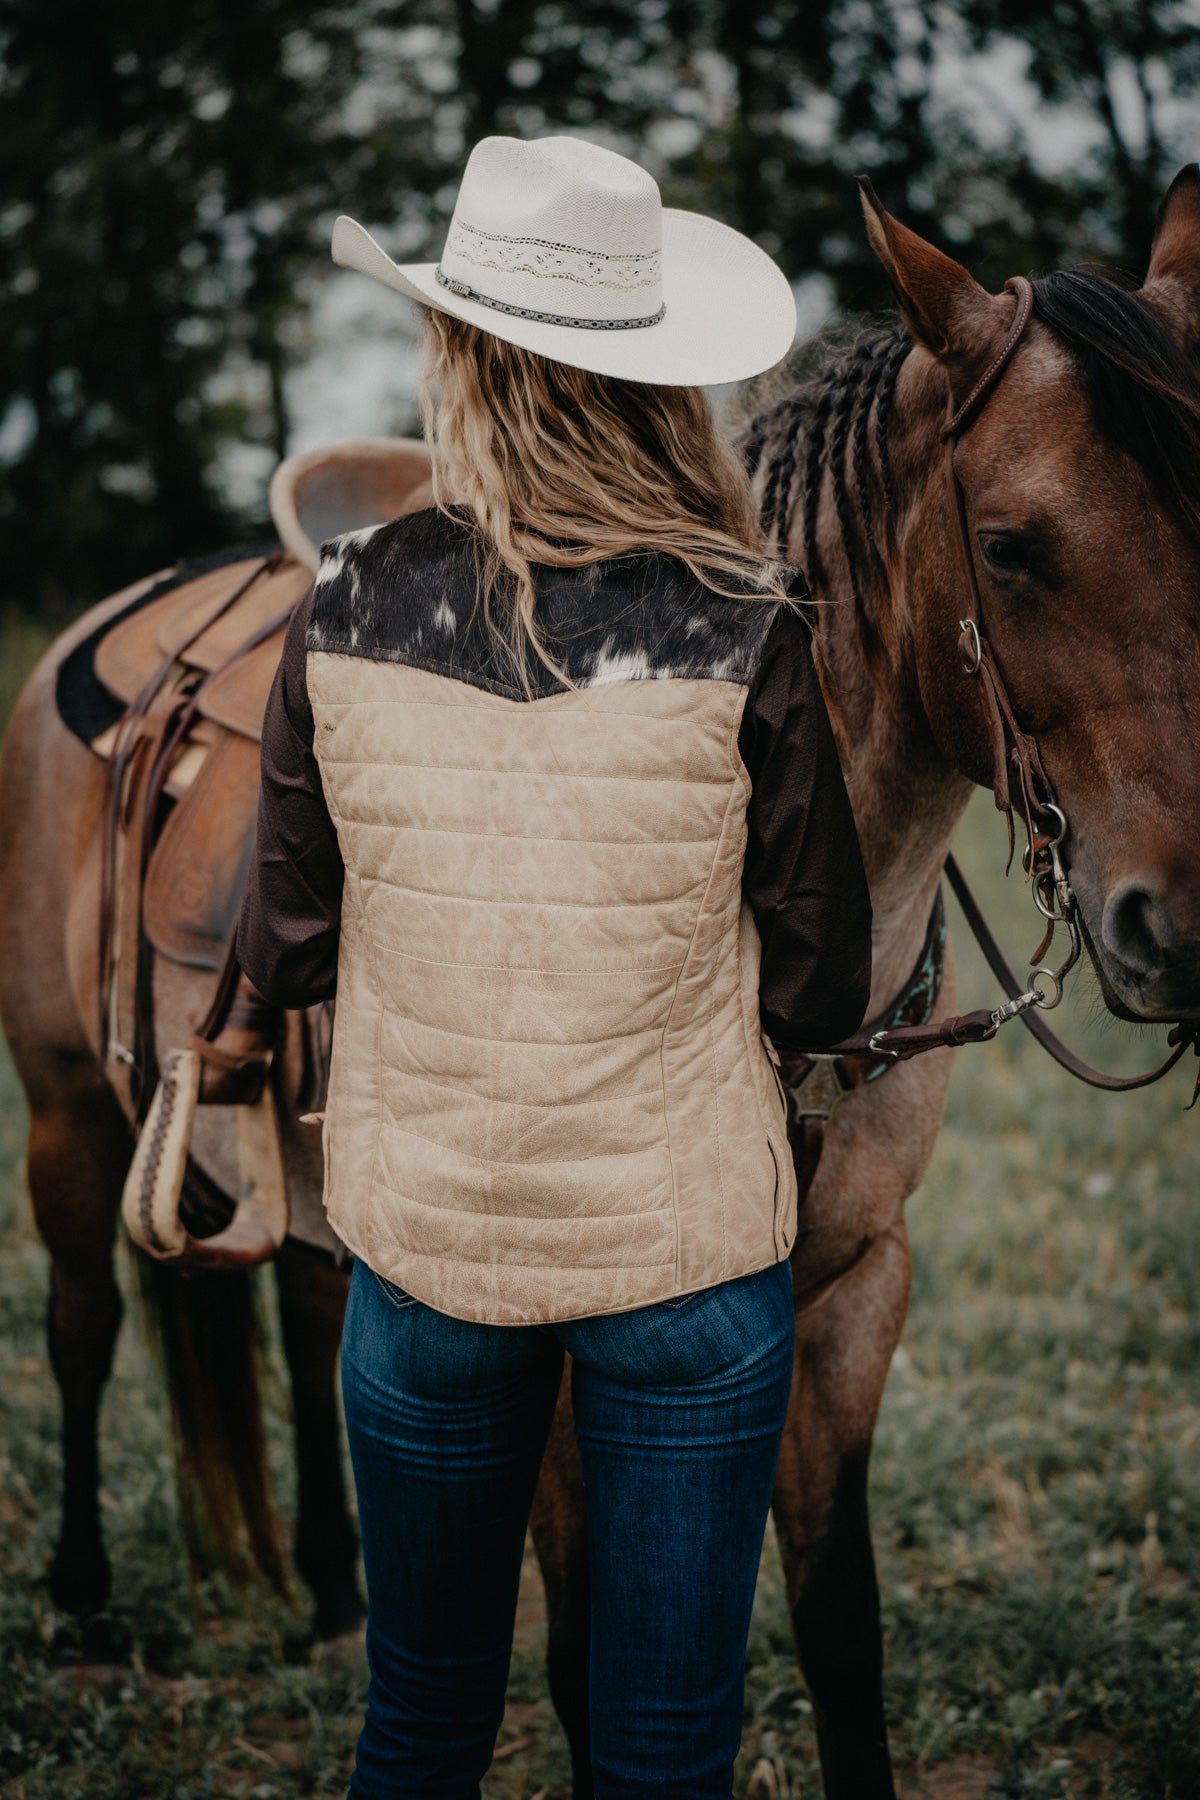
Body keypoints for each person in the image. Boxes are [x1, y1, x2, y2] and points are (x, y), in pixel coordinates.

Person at [235, 133, 872, 1800]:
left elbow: (287, 950)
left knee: (421, 1724)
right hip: (684, 1264)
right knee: (664, 1750)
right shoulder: (751, 621)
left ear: (461, 359)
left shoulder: (342, 604)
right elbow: (820, 989)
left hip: (426, 1257)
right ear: (658, 386)